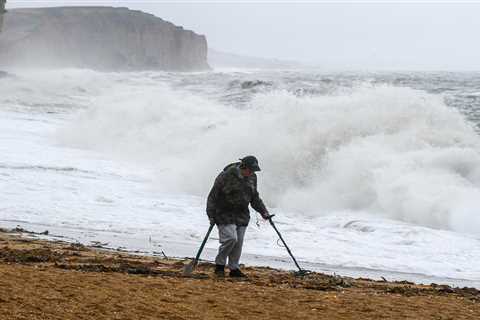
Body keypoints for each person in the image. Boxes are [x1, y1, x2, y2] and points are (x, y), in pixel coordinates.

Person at [206, 155, 271, 278]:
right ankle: (219, 265)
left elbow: (254, 198)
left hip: (242, 215)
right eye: (250, 170)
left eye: (253, 171)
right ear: (243, 166)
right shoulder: (225, 176)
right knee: (231, 239)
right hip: (223, 213)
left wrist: (264, 212)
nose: (251, 173)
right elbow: (213, 196)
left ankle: (234, 268)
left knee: (238, 243)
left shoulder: (252, 177)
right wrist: (211, 215)